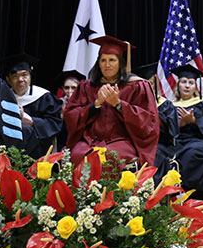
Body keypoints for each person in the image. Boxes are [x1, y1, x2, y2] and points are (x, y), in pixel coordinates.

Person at [63, 36, 159, 167]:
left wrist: (119, 104)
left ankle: (110, 189)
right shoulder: (86, 87)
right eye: (103, 60)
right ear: (98, 63)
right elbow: (70, 115)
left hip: (122, 141)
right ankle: (80, 189)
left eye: (112, 60)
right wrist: (95, 105)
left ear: (120, 63)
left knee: (110, 157)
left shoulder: (137, 86)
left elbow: (149, 122)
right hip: (89, 141)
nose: (107, 65)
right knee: (77, 155)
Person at [1, 53, 63, 159]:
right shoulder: (2, 98)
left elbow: (54, 124)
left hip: (38, 149)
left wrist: (31, 121)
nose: (20, 79)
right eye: (15, 76)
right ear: (8, 79)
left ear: (30, 76)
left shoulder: (44, 97)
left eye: (24, 75)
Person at [171, 64, 203, 197]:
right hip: (177, 142)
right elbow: (164, 129)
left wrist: (194, 121)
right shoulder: (170, 106)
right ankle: (172, 195)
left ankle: (192, 194)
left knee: (192, 153)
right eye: (183, 82)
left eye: (191, 83)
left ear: (196, 87)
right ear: (178, 85)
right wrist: (180, 123)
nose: (187, 86)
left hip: (200, 141)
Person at [134, 62, 179, 182]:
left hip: (161, 145)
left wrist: (154, 115)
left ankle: (151, 195)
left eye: (151, 83)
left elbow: (173, 131)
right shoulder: (133, 106)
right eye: (145, 84)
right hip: (138, 144)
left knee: (153, 155)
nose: (148, 87)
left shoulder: (165, 105)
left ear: (156, 85)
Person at [54, 70, 85, 150]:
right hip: (62, 143)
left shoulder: (85, 104)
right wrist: (61, 116)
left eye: (74, 88)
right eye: (66, 88)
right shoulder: (57, 104)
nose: (70, 91)